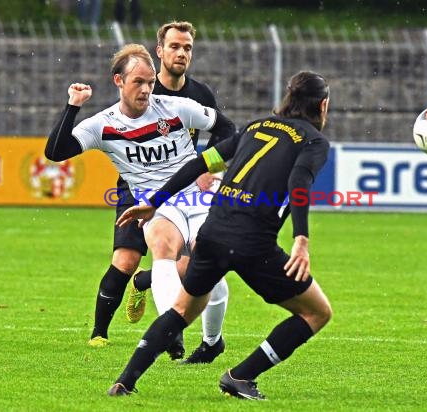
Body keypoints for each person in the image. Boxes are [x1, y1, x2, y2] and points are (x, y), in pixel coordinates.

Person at [108, 70, 333, 400]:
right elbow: (299, 181)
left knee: (182, 311)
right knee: (317, 312)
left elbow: (201, 163)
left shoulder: (255, 127)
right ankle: (241, 376)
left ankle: (125, 381)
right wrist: (301, 238)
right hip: (252, 243)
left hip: (212, 233)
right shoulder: (313, 140)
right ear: (323, 105)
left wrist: (153, 204)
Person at [44, 43, 236, 360]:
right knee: (160, 247)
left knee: (204, 262)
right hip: (156, 206)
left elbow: (227, 128)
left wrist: (209, 164)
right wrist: (73, 106)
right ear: (119, 81)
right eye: (138, 82)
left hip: (198, 195)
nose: (146, 89)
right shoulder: (103, 125)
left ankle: (212, 341)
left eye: (149, 82)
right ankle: (170, 333)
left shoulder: (177, 107)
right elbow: (55, 152)